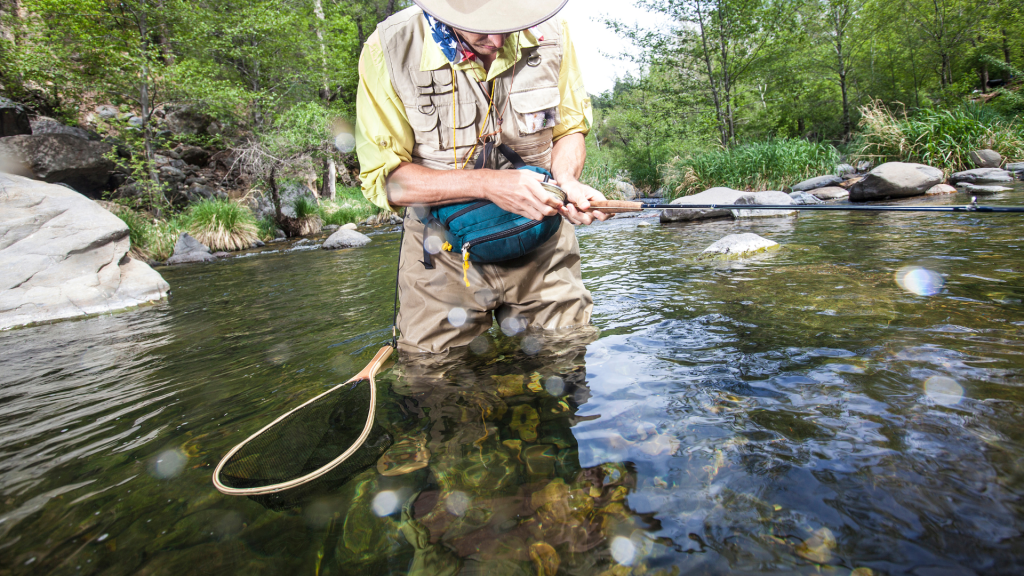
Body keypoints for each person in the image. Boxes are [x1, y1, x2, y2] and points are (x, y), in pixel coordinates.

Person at [355, 0, 610, 354]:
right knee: (435, 381)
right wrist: (489, 185)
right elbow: (389, 181)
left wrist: (566, 182)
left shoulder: (553, 31)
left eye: (508, 22)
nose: (497, 38)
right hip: (440, 249)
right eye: (483, 26)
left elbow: (570, 130)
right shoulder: (388, 47)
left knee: (564, 365)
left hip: (543, 240)